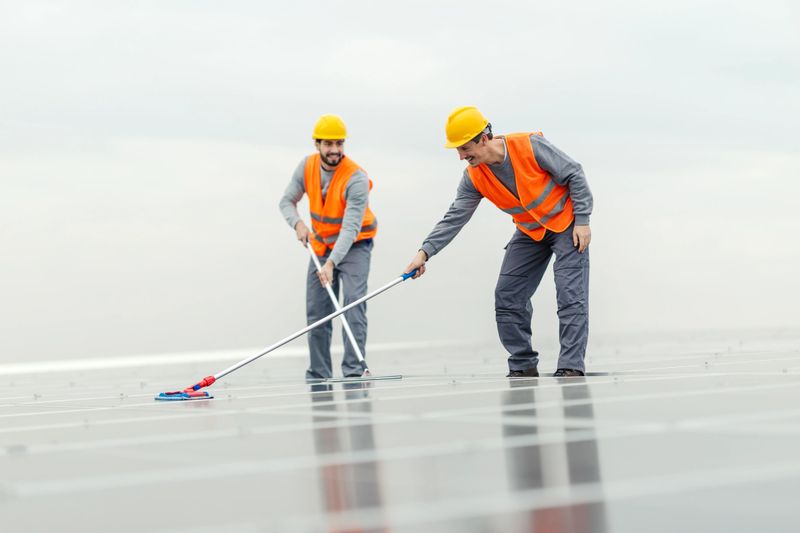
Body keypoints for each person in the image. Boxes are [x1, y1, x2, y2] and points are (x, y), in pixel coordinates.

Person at [404, 106, 593, 377]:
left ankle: (570, 366)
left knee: (570, 297)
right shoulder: (473, 177)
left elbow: (574, 173)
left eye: (464, 148)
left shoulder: (529, 146)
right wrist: (424, 253)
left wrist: (583, 220)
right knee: (507, 296)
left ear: (483, 138)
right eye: (457, 150)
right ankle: (523, 365)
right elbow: (455, 217)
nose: (461, 156)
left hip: (567, 226)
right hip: (530, 232)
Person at [279, 114, 378, 380]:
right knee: (318, 312)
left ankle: (354, 372)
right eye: (328, 144)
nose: (334, 150)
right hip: (320, 245)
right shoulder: (306, 167)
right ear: (317, 144)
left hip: (355, 246)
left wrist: (332, 264)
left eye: (339, 143)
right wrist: (298, 224)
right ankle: (319, 375)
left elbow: (351, 227)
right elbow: (286, 202)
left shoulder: (355, 177)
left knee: (353, 304)